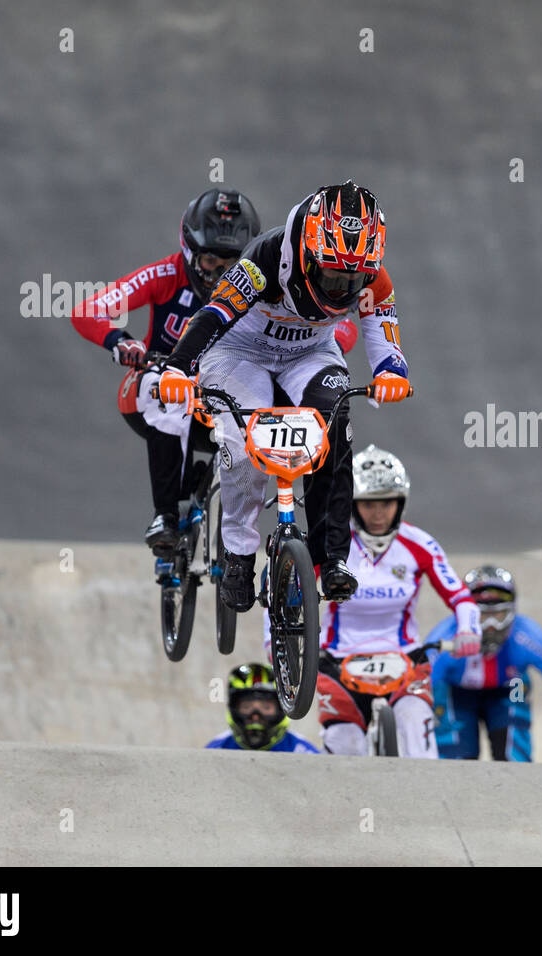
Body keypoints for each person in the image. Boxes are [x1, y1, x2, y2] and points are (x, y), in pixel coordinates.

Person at [158, 181, 410, 609]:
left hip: (309, 353)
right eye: (331, 275)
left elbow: (382, 327)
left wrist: (392, 371)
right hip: (240, 351)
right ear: (307, 253)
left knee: (335, 424)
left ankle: (331, 558)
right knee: (243, 442)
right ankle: (238, 553)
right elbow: (214, 314)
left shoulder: (373, 275)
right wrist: (178, 367)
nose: (340, 289)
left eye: (352, 279)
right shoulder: (267, 258)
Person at [72, 188, 267, 553]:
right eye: (210, 261)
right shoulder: (165, 274)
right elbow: (87, 310)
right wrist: (121, 342)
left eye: (231, 264)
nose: (220, 275)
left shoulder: (262, 283)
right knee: (165, 391)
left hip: (221, 398)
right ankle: (165, 515)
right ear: (190, 252)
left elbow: (340, 329)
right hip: (158, 389)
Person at [271, 444, 482, 757]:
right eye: (369, 504)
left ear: (401, 503)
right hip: (338, 663)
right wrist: (276, 644)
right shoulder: (331, 545)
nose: (379, 513)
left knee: (416, 730)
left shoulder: (421, 544)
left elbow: (461, 598)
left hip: (405, 660)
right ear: (352, 504)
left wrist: (469, 630)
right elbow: (286, 595)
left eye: (387, 503)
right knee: (346, 747)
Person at [430, 565, 542, 763]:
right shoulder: (445, 637)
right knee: (454, 762)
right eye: (482, 616)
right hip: (455, 693)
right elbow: (417, 688)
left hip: (511, 687)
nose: (491, 626)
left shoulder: (527, 636)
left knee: (515, 759)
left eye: (498, 615)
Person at [205, 662, 321, 752]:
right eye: (246, 707)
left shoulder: (303, 752)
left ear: (281, 709)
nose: (255, 716)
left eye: (266, 707)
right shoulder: (215, 750)